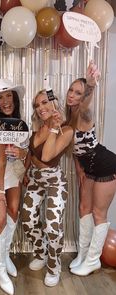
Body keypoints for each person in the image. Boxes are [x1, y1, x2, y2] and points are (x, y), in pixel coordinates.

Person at [66, 61, 116, 276]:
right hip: (88, 168)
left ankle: (93, 260)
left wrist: (91, 85)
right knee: (83, 208)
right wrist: (78, 169)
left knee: (98, 213)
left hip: (106, 164)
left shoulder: (84, 113)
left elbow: (86, 105)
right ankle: (83, 254)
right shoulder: (68, 117)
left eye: (78, 93)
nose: (72, 95)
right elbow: (75, 148)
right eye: (71, 90)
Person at [22, 89, 73, 287]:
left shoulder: (66, 130)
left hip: (54, 181)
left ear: (54, 103)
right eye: (37, 105)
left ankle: (54, 265)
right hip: (35, 179)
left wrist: (53, 127)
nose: (40, 108)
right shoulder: (36, 127)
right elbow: (30, 153)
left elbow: (46, 156)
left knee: (53, 226)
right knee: (27, 219)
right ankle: (41, 252)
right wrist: (25, 172)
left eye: (44, 103)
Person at [0, 79, 27, 295]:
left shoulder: (20, 123)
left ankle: (6, 254)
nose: (5, 101)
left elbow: (25, 153)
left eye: (8, 95)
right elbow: (0, 160)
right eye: (0, 97)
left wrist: (23, 155)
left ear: (15, 98)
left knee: (13, 212)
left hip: (13, 171)